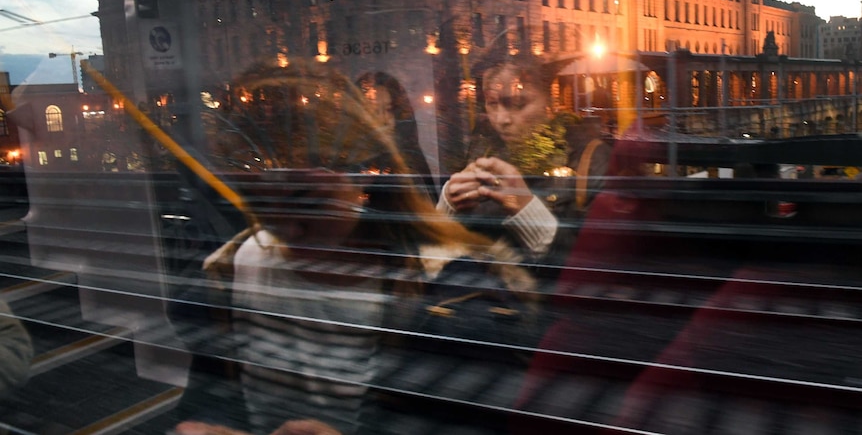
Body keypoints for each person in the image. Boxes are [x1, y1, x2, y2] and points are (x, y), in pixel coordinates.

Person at [174, 60, 538, 435]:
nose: (287, 229)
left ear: (363, 180)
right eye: (261, 205)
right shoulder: (237, 265)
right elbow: (211, 393)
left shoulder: (452, 295)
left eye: (307, 200)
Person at [438, 51, 612, 279]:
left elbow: (600, 268)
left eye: (518, 104)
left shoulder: (592, 158)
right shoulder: (480, 153)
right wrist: (448, 204)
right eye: (492, 104)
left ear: (549, 102)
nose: (502, 119)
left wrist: (527, 211)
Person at [355, 71, 437, 201]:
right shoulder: (351, 165)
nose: (384, 120)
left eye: (388, 110)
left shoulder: (410, 160)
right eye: (374, 112)